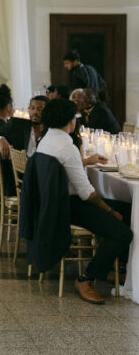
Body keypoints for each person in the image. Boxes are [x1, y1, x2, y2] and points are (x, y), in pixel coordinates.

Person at [37, 98, 132, 305]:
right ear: (69, 120)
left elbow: (65, 166)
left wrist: (86, 161)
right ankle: (87, 278)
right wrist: (109, 210)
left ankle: (117, 268)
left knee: (129, 209)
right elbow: (86, 194)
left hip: (53, 203)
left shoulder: (46, 139)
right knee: (123, 232)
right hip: (68, 206)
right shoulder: (67, 146)